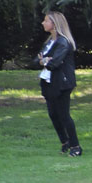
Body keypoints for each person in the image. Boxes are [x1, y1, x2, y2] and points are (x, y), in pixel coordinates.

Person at [37, 11, 81, 156]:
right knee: (53, 114)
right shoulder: (50, 42)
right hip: (49, 81)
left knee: (63, 115)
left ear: (54, 24)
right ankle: (65, 142)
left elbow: (53, 63)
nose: (43, 23)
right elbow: (38, 60)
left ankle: (75, 146)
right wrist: (44, 61)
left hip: (62, 83)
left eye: (46, 21)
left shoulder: (63, 42)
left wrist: (45, 61)